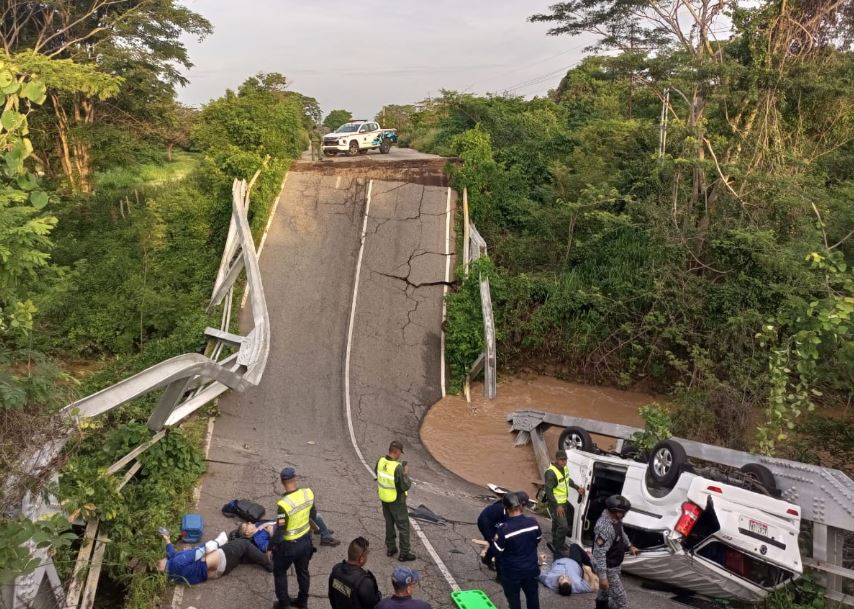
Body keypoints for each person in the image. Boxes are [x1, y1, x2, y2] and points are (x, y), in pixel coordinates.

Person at [270, 467, 320, 609]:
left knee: (279, 572)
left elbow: (280, 531)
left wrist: (270, 547)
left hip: (289, 547)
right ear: (295, 478)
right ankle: (302, 602)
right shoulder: (308, 494)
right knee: (303, 572)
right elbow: (313, 516)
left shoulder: (284, 505)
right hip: (305, 543)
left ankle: (284, 604)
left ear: (282, 482)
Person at [156, 530, 271, 585]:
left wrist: (167, 539)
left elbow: (171, 554)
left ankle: (259, 555)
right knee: (243, 544)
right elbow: (200, 552)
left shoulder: (171, 575)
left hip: (220, 570)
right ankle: (269, 563)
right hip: (221, 559)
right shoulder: (176, 563)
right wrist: (218, 541)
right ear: (159, 567)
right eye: (157, 562)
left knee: (241, 555)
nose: (158, 559)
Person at [493, 492, 541, 609]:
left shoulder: (503, 530)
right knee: (532, 597)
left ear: (506, 509)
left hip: (511, 573)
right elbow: (537, 540)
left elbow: (497, 551)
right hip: (531, 569)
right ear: (520, 506)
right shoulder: (533, 523)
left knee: (514, 601)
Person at [592, 495, 639, 609]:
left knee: (604, 594)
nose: (625, 514)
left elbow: (621, 533)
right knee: (622, 602)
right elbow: (599, 554)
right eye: (624, 512)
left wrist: (629, 546)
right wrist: (603, 577)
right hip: (608, 568)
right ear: (618, 512)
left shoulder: (615, 520)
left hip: (614, 564)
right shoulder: (605, 527)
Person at [376, 440, 415, 561]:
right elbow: (404, 486)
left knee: (389, 523)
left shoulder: (380, 461)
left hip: (384, 498)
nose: (400, 456)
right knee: (403, 526)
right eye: (400, 453)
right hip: (396, 501)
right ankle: (404, 553)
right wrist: (405, 474)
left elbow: (377, 474)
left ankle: (391, 548)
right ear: (397, 452)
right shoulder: (398, 467)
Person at [543, 449, 585, 557]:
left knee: (557, 525)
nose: (564, 462)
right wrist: (557, 506)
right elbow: (548, 491)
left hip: (564, 502)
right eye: (561, 460)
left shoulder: (564, 468)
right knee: (564, 526)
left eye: (565, 460)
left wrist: (576, 488)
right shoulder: (551, 473)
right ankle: (557, 547)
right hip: (556, 504)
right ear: (556, 460)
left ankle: (557, 543)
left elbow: (567, 480)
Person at [477, 491, 529, 572]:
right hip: (486, 523)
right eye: (522, 505)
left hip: (497, 524)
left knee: (498, 545)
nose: (523, 508)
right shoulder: (505, 508)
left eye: (524, 505)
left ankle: (487, 559)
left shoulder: (514, 507)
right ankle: (500, 574)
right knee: (498, 547)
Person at [328, 536, 382, 609]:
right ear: (361, 559)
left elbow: (331, 596)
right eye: (366, 555)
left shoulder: (336, 569)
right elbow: (373, 605)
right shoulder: (365, 582)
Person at [239, 514, 339, 551]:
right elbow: (267, 548)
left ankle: (322, 530)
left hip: (281, 523)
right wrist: (271, 533)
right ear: (247, 533)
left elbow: (272, 521)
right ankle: (324, 535)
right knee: (315, 517)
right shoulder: (258, 538)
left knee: (310, 514)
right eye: (246, 525)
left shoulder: (257, 525)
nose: (248, 522)